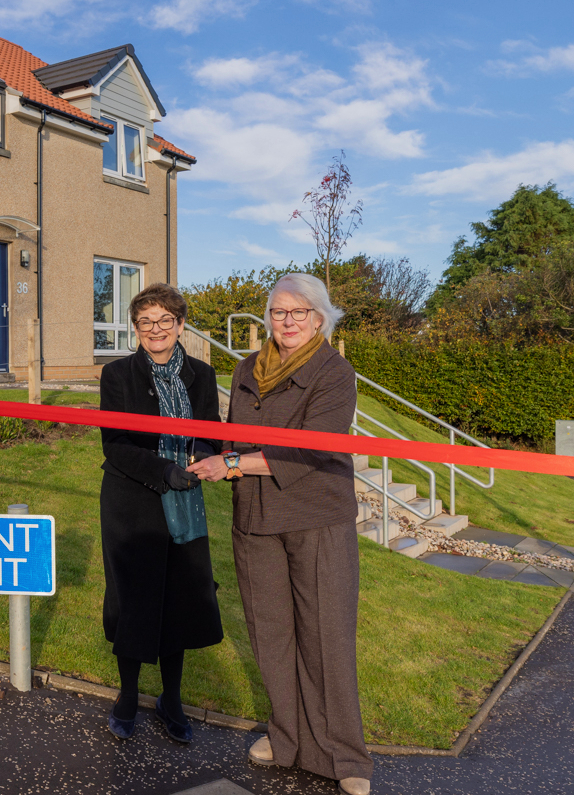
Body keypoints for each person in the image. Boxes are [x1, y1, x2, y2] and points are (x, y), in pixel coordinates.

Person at [188, 273, 373, 795]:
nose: (287, 322)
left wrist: (235, 463)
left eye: (299, 312)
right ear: (267, 318)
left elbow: (316, 445)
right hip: (256, 518)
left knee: (326, 636)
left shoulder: (335, 372)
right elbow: (233, 436)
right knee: (270, 632)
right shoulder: (249, 367)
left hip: (315, 516)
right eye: (278, 312)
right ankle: (287, 738)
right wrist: (219, 459)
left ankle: (345, 756)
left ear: (319, 318)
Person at [98, 282, 223, 743]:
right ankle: (127, 696)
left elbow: (212, 432)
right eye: (146, 322)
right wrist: (164, 469)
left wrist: (205, 459)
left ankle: (172, 699)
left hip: (186, 500)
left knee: (179, 602)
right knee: (133, 600)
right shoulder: (117, 375)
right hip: (132, 503)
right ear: (136, 328)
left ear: (180, 325)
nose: (156, 329)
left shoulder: (203, 376)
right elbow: (114, 445)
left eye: (165, 321)